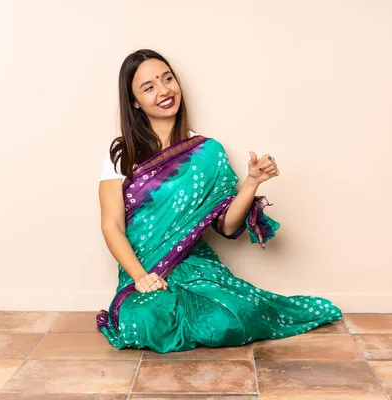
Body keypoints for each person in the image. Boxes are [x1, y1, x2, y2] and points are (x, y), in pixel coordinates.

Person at [97, 49, 342, 353]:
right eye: (149, 87)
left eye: (167, 79)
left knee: (235, 318)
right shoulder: (122, 154)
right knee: (142, 321)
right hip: (143, 271)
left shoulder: (207, 152)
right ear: (134, 101)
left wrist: (252, 182)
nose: (164, 91)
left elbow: (226, 227)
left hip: (196, 267)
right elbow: (112, 226)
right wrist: (141, 277)